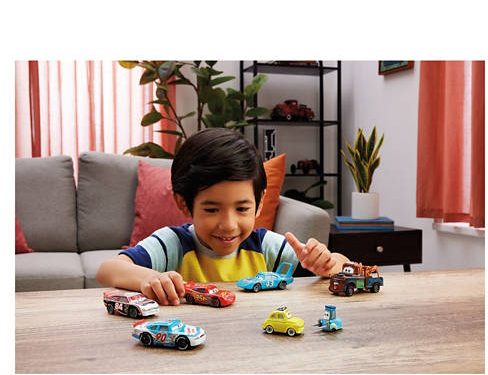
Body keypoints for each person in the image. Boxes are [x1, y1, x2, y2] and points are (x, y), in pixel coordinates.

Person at [96, 128, 349, 305]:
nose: (228, 225)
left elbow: (344, 266)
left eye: (242, 209)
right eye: (211, 209)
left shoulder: (267, 247)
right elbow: (108, 270)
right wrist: (149, 278)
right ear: (184, 204)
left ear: (259, 204)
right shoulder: (172, 244)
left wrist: (328, 264)